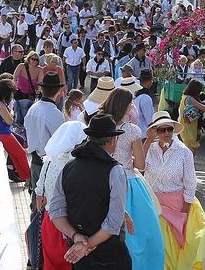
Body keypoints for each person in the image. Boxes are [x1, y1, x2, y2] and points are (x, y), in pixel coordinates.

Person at [49, 113, 131, 269]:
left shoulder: (68, 168)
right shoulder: (115, 170)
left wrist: (77, 237)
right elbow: (113, 224)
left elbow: (56, 211)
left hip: (79, 254)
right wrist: (87, 245)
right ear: (112, 141)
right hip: (109, 254)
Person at [100, 89, 164, 270]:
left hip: (103, 182)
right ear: (126, 106)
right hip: (129, 184)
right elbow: (141, 164)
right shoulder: (132, 130)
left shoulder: (99, 125)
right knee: (143, 235)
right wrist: (147, 142)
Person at [144, 111, 205, 270]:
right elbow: (137, 166)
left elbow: (190, 182)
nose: (166, 133)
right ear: (155, 131)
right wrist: (147, 141)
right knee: (161, 248)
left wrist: (184, 213)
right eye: (161, 130)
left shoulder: (184, 151)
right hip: (155, 206)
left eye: (169, 129)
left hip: (179, 206)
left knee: (181, 248)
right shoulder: (149, 149)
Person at [36, 121, 87, 270]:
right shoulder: (77, 165)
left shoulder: (49, 160)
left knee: (51, 264)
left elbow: (40, 196)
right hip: (70, 227)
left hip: (49, 223)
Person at [25, 72, 66, 214]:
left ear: (42, 89)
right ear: (59, 91)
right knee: (48, 204)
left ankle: (34, 232)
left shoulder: (32, 109)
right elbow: (61, 143)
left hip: (35, 161)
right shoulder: (55, 114)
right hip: (49, 164)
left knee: (36, 200)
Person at [0, 79, 30, 181]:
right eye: (12, 93)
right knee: (21, 153)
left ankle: (25, 177)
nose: (12, 95)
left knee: (14, 155)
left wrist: (8, 114)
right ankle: (29, 177)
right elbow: (9, 121)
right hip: (1, 133)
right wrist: (10, 113)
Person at [178, 80, 205, 152]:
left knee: (189, 148)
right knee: (191, 150)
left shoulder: (184, 96)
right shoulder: (190, 99)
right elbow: (204, 108)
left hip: (185, 125)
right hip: (189, 127)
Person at [12, 51, 41, 126]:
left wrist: (39, 90)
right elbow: (14, 78)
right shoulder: (21, 66)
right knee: (19, 112)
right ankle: (18, 125)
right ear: (28, 59)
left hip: (31, 95)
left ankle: (26, 127)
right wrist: (14, 86)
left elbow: (40, 82)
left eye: (36, 60)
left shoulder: (39, 69)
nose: (34, 61)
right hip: (20, 93)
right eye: (33, 59)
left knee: (28, 113)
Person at [134, 69, 154, 140]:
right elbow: (150, 120)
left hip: (136, 132)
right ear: (150, 81)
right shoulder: (146, 98)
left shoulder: (135, 95)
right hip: (144, 135)